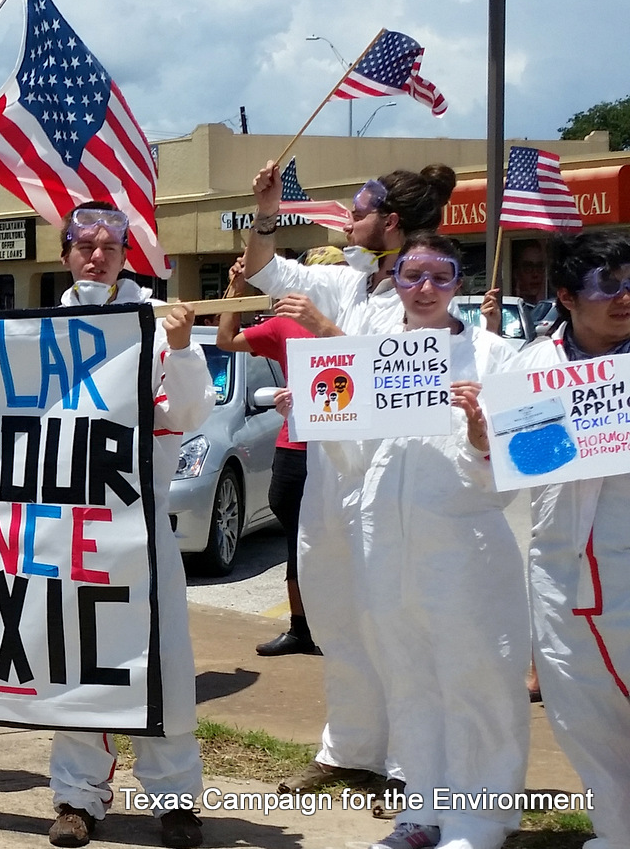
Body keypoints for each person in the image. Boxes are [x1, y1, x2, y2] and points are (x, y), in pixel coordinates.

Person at [240, 159, 457, 797]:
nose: (348, 221)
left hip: (393, 476)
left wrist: (325, 332)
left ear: (391, 222)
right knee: (335, 610)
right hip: (331, 469)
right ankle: (351, 749)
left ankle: (411, 765)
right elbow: (261, 269)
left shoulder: (424, 288)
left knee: (396, 615)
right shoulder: (351, 280)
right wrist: (267, 209)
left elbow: (407, 377)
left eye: (359, 213)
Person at [334, 233, 528, 849]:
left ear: (459, 285)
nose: (424, 289)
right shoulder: (372, 358)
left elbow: (514, 466)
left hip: (464, 546)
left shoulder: (498, 358)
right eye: (412, 275)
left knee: (476, 676)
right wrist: (316, 415)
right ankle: (420, 810)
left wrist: (479, 434)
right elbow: (352, 460)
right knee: (407, 676)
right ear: (394, 280)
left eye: (440, 277)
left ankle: (479, 819)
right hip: (384, 542)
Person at [41, 202, 211, 849]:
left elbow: (191, 412)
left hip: (143, 526)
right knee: (80, 659)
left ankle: (176, 800)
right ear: (66, 255)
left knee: (164, 661)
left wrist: (183, 346)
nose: (95, 254)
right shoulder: (43, 331)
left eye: (107, 245)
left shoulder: (155, 322)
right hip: (74, 528)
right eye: (83, 244)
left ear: (123, 253)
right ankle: (77, 797)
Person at [508, 229, 630, 849]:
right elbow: (512, 464)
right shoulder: (528, 367)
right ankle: (616, 831)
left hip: (628, 565)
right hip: (559, 575)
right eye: (608, 284)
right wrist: (484, 434)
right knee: (582, 715)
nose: (625, 295)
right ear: (566, 295)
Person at [215, 249, 342, 656]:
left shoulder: (354, 320)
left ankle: (345, 626)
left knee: (344, 539)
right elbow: (225, 340)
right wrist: (237, 288)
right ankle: (301, 628)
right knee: (297, 538)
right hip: (297, 444)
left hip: (346, 447)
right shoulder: (284, 324)